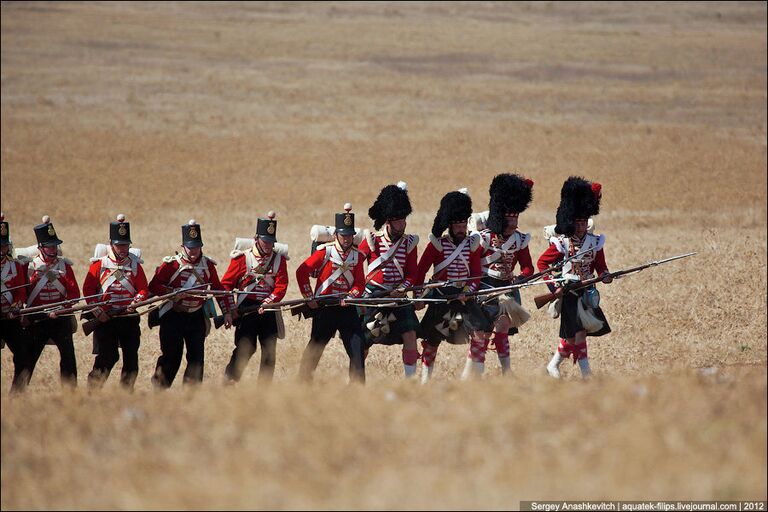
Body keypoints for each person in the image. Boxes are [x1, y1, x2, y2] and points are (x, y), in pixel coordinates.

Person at [537, 176, 612, 379]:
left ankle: (553, 365)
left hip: (587, 290)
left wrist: (605, 276)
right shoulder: (561, 243)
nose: (580, 226)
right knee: (578, 333)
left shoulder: (595, 242)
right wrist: (554, 288)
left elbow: (601, 266)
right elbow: (542, 264)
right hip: (569, 291)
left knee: (573, 336)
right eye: (577, 221)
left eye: (583, 221)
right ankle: (587, 375)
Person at [414, 189, 489, 383]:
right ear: (450, 225)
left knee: (480, 332)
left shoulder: (472, 245)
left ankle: (473, 378)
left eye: (464, 223)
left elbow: (475, 276)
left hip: (463, 297)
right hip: (441, 295)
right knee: (432, 340)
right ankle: (425, 380)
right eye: (457, 224)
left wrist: (468, 292)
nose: (461, 228)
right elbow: (420, 271)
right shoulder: (437, 245)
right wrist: (418, 294)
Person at [149, 219, 233, 388]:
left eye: (196, 246)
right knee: (171, 357)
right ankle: (158, 390)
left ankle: (191, 395)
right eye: (190, 247)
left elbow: (218, 289)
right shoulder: (171, 264)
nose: (193, 250)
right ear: (183, 246)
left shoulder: (208, 265)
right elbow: (154, 286)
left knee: (196, 359)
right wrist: (173, 294)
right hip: (173, 316)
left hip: (196, 316)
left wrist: (227, 312)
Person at [296, 204, 366, 383]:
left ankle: (358, 389)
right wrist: (309, 297)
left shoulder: (357, 256)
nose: (346, 239)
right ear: (336, 235)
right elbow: (301, 272)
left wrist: (351, 296)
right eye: (343, 235)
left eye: (350, 235)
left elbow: (359, 283)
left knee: (357, 349)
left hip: (347, 308)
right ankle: (302, 383)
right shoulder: (325, 252)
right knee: (315, 348)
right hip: (325, 308)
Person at [474, 174, 535, 378]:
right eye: (511, 216)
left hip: (508, 289)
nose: (514, 220)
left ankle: (506, 372)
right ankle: (477, 373)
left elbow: (528, 266)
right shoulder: (483, 238)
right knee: (482, 333)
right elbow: (473, 265)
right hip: (485, 286)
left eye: (516, 216)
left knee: (502, 329)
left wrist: (522, 277)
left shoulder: (520, 239)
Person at [358, 182, 421, 378]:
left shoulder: (409, 243)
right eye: (398, 222)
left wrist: (402, 288)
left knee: (410, 335)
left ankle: (410, 381)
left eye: (404, 221)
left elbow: (413, 273)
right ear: (388, 222)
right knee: (363, 341)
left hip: (398, 296)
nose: (402, 225)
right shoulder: (372, 241)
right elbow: (354, 264)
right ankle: (357, 378)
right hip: (374, 296)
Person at [82, 214, 149, 391]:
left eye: (126, 244)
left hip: (128, 317)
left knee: (131, 358)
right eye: (119, 244)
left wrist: (136, 301)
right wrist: (98, 312)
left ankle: (126, 393)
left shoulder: (135, 265)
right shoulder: (99, 265)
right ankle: (93, 390)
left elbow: (143, 289)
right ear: (111, 244)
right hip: (106, 318)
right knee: (107, 356)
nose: (123, 248)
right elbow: (88, 290)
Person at [221, 212, 288, 384]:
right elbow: (226, 285)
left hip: (268, 308)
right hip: (246, 308)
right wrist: (230, 309)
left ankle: (263, 389)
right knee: (246, 347)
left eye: (271, 242)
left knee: (269, 351)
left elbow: (281, 285)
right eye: (265, 241)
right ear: (256, 238)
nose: (268, 245)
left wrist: (268, 301)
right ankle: (230, 380)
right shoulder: (242, 259)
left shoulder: (279, 260)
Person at [25, 216, 80, 388]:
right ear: (41, 247)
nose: (53, 249)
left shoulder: (64, 266)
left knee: (68, 358)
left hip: (60, 317)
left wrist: (62, 308)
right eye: (50, 246)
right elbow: (23, 293)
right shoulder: (29, 266)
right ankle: (17, 393)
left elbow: (74, 293)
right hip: (37, 318)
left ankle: (70, 394)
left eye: (55, 245)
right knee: (27, 359)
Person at [0, 213, 31, 392]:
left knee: (23, 358)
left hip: (10, 317)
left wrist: (15, 307)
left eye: (4, 245)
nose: (2, 249)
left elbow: (21, 292)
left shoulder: (15, 266)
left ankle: (16, 396)